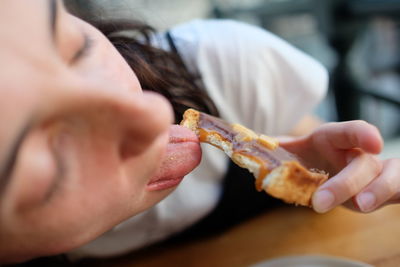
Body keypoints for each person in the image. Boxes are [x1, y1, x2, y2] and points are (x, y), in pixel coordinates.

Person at [1, 0, 399, 264]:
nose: (152, 111)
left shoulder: (225, 70)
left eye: (77, 48)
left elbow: (313, 157)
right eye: (57, 159)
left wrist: (328, 176)